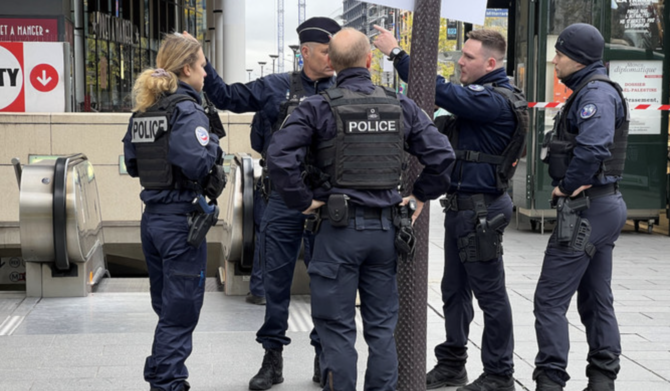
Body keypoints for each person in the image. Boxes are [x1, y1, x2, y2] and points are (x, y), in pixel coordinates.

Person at [267, 27, 455, 391]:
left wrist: (302, 201)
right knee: (382, 329)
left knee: (337, 329)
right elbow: (442, 155)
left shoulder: (318, 107)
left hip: (337, 233)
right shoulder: (399, 105)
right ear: (369, 60)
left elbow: (278, 154)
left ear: (333, 63)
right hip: (385, 234)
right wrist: (417, 196)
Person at [189, 17, 341, 390]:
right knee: (275, 285)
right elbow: (226, 97)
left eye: (335, 52)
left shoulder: (344, 89)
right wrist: (200, 58)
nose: (332, 59)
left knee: (327, 283)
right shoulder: (276, 87)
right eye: (325, 52)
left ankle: (325, 357)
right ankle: (272, 359)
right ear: (304, 52)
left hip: (326, 201)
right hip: (283, 200)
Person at [375, 26, 529, 391]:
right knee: (454, 291)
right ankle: (452, 363)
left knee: (490, 295)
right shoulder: (483, 100)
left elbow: (438, 91)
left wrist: (397, 54)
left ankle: (499, 374)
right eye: (462, 54)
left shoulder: (493, 100)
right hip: (464, 210)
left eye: (469, 57)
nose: (460, 61)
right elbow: (440, 126)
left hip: (481, 211)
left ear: (490, 63)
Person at [122, 33, 225, 391]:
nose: (207, 75)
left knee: (167, 308)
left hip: (152, 220)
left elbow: (132, 164)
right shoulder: (187, 109)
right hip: (181, 221)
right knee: (180, 312)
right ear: (187, 68)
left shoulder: (146, 109)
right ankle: (167, 382)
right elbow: (196, 162)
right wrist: (211, 139)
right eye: (202, 66)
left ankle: (164, 373)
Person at [533, 23, 629, 391]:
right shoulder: (591, 90)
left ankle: (550, 381)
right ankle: (602, 379)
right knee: (595, 296)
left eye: (559, 54)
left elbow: (593, 147)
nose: (555, 60)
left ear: (577, 58)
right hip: (602, 207)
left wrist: (566, 187)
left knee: (549, 300)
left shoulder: (595, 95)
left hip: (586, 210)